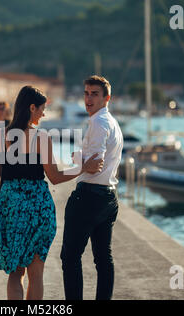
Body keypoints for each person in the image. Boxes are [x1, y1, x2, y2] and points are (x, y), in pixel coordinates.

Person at [0, 85, 103, 300]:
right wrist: (83, 168)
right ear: (32, 108)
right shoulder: (41, 138)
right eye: (42, 108)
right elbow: (55, 177)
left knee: (15, 273)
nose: (44, 113)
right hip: (38, 208)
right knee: (36, 273)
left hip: (10, 207)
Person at [60, 75, 123, 300]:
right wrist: (82, 159)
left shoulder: (98, 122)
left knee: (70, 258)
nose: (88, 98)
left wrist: (78, 161)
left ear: (107, 98)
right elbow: (94, 163)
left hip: (89, 197)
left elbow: (94, 165)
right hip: (108, 197)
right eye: (86, 93)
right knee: (103, 258)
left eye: (94, 94)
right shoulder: (111, 122)